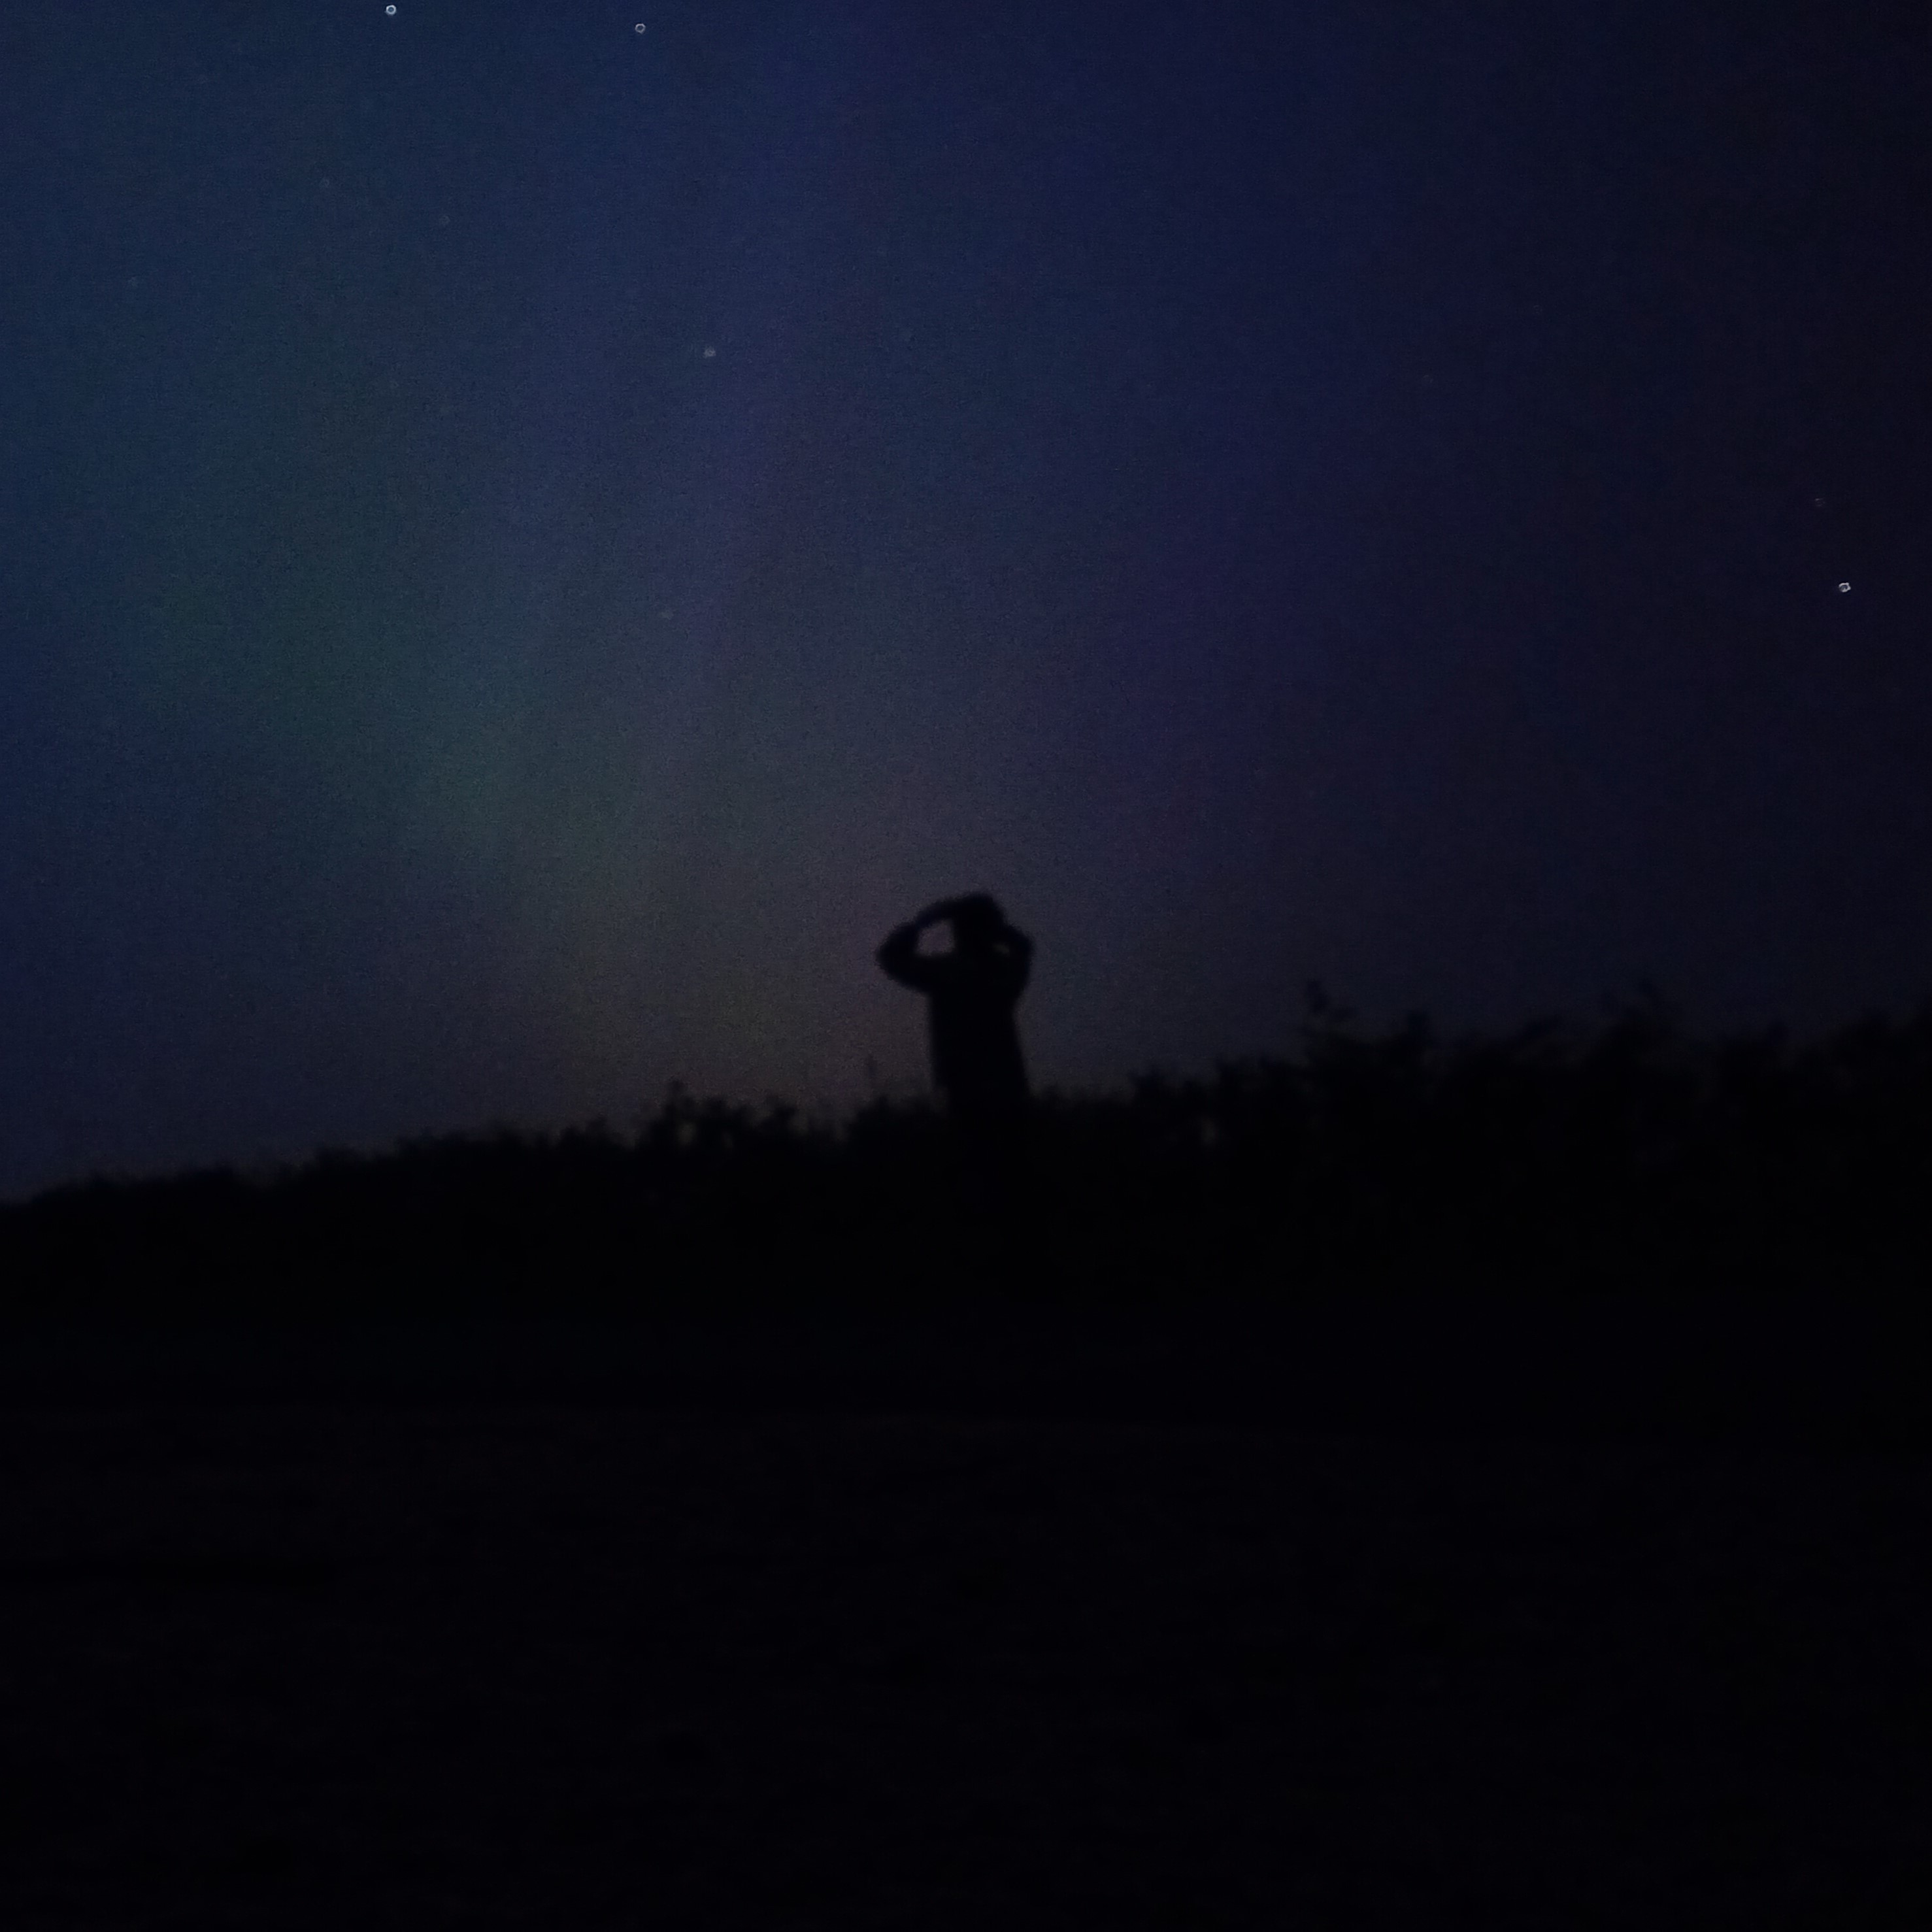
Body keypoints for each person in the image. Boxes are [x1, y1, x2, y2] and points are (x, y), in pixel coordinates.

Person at [876, 894, 1033, 1212]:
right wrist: (999, 929)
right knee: (1012, 1182)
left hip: (970, 1087)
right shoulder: (1002, 969)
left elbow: (890, 957)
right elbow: (1023, 948)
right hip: (1001, 1087)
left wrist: (922, 923)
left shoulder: (948, 973)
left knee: (981, 1179)